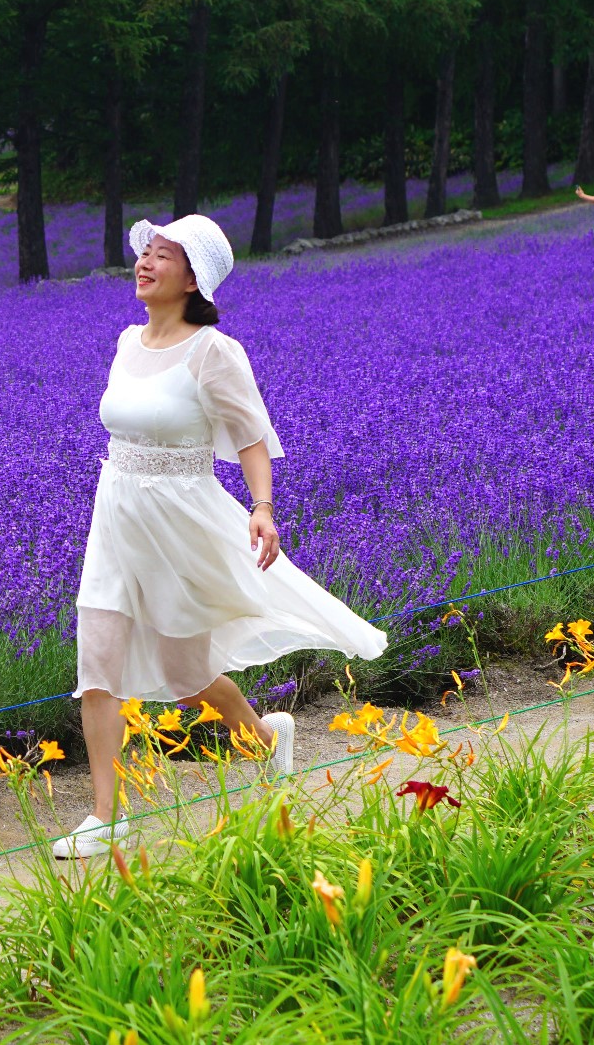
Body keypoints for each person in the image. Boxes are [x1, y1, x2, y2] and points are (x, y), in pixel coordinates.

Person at [53, 214, 387, 860]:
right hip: (116, 510)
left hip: (180, 519)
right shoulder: (126, 342)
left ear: (192, 278)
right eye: (144, 252)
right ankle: (105, 814)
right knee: (97, 664)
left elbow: (251, 436)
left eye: (162, 255)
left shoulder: (212, 350)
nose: (145, 263)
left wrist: (262, 506)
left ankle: (265, 736)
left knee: (186, 674)